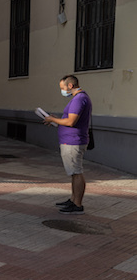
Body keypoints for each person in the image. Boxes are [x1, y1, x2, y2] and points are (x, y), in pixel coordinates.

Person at [44, 74, 92, 215]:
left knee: (76, 172)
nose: (62, 91)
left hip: (73, 142)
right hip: (71, 140)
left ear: (70, 86)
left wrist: (53, 119)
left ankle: (77, 204)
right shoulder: (80, 98)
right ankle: (73, 199)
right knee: (73, 172)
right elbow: (69, 119)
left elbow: (71, 122)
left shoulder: (79, 99)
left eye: (62, 88)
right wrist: (56, 119)